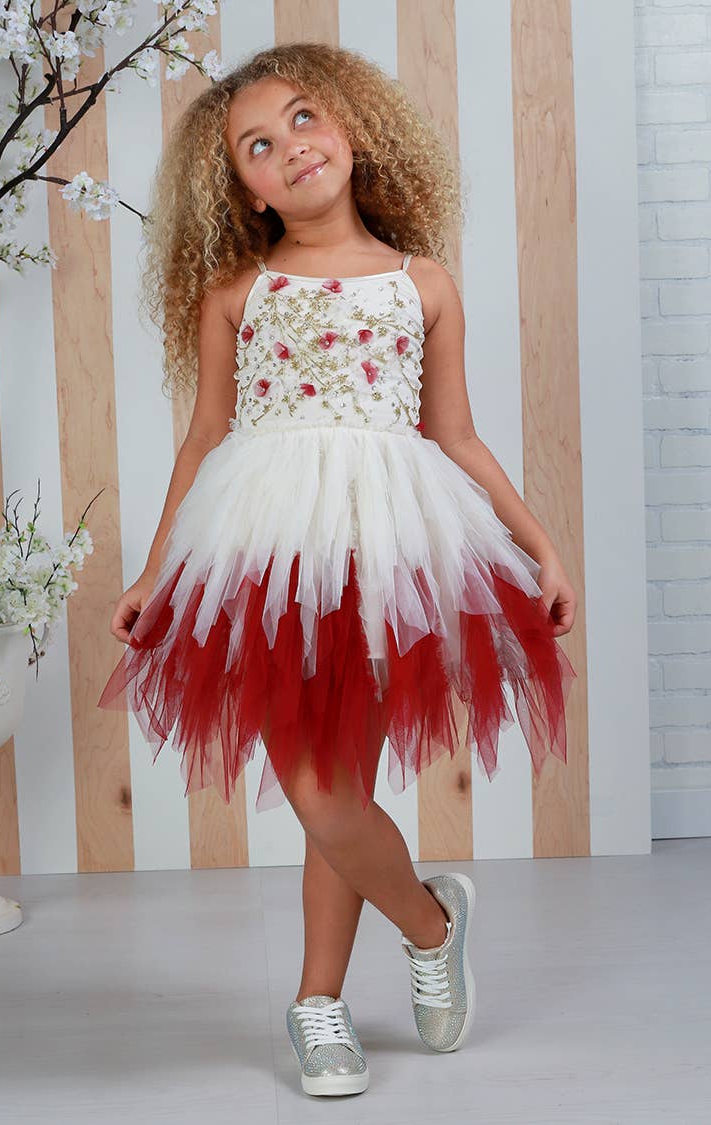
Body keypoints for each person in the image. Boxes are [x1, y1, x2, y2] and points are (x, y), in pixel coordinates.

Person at [97, 42, 577, 1098]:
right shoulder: (239, 290)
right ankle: (432, 922)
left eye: (304, 118)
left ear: (354, 127)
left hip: (389, 546)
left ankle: (318, 1002)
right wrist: (156, 569)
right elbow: (203, 437)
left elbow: (456, 434)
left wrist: (538, 543)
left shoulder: (421, 283)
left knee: (339, 787)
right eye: (257, 146)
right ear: (247, 192)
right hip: (265, 551)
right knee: (319, 793)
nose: (291, 147)